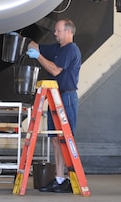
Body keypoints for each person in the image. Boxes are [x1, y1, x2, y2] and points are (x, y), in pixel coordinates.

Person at [26, 19, 81, 194]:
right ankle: (59, 179)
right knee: (55, 140)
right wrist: (21, 36)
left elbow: (56, 70)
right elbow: (37, 46)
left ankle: (72, 179)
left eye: (58, 31)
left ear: (68, 32)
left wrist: (39, 57)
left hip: (67, 98)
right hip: (55, 97)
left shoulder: (70, 49)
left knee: (65, 139)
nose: (55, 33)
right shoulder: (58, 48)